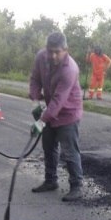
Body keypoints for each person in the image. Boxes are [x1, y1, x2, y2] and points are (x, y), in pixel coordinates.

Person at [29, 32, 84, 202]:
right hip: (50, 109)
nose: (52, 55)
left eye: (57, 52)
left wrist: (41, 121)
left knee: (69, 151)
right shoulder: (41, 57)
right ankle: (50, 181)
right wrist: (35, 101)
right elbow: (35, 79)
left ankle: (77, 186)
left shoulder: (70, 69)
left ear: (65, 50)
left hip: (68, 112)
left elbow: (59, 101)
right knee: (49, 147)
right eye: (49, 51)